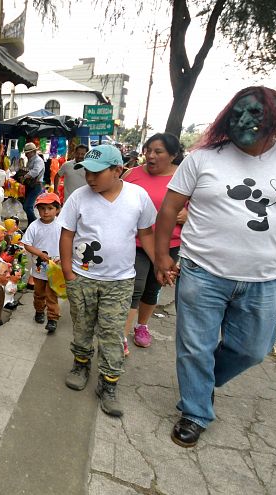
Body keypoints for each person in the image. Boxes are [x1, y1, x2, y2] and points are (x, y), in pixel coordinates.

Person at [153, 86, 276, 448]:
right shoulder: (203, 158)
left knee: (254, 350)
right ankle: (195, 411)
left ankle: (201, 384)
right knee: (195, 348)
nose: (243, 121)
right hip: (201, 272)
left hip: (263, 280)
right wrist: (162, 256)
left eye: (254, 114)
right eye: (236, 113)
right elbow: (169, 209)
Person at [58, 145, 157, 418]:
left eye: (97, 173)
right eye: (87, 172)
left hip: (120, 281)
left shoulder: (138, 196)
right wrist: (68, 273)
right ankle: (80, 365)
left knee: (112, 333)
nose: (90, 178)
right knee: (82, 327)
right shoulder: (79, 197)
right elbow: (67, 234)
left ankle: (108, 383)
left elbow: (146, 234)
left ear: (117, 170)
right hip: (83, 278)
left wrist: (160, 261)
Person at [122, 133, 186, 351]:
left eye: (158, 152)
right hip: (137, 243)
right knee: (135, 287)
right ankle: (121, 336)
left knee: (152, 288)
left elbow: (204, 210)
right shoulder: (131, 175)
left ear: (173, 155)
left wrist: (189, 216)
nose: (150, 156)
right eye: (148, 150)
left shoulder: (184, 178)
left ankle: (142, 326)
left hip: (170, 245)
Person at [21, 192, 62, 334]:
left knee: (52, 295)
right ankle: (39, 311)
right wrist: (39, 253)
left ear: (57, 209)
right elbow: (27, 244)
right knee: (39, 294)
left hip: (55, 268)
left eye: (50, 208)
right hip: (38, 269)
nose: (46, 212)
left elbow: (67, 243)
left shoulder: (61, 225)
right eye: (42, 208)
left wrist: (63, 258)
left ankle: (52, 319)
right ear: (37, 210)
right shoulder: (34, 226)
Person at [19, 142, 45, 225]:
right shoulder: (31, 160)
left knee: (27, 206)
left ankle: (35, 224)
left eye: (27, 153)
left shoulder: (38, 160)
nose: (26, 155)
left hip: (36, 186)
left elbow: (35, 171)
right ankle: (31, 226)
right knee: (28, 206)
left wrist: (25, 176)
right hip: (31, 185)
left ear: (32, 152)